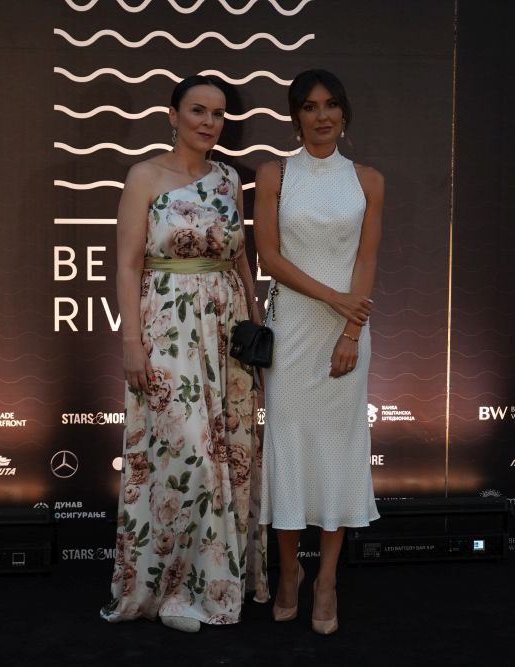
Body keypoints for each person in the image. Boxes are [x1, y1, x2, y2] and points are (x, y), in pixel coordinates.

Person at [101, 75, 268, 632]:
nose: (208, 122)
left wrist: (255, 325)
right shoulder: (144, 176)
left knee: (229, 455)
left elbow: (240, 259)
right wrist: (131, 341)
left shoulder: (229, 178)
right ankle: (170, 586)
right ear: (172, 115)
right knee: (188, 457)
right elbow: (128, 264)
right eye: (197, 110)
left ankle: (202, 589)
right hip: (167, 326)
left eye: (218, 114)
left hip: (226, 330)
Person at [255, 69, 383, 635]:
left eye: (331, 104)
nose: (322, 115)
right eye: (310, 107)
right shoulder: (274, 174)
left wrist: (350, 331)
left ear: (344, 112)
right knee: (287, 448)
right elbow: (269, 258)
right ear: (296, 116)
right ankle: (290, 571)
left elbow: (367, 260)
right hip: (292, 332)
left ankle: (326, 579)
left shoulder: (369, 180)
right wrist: (335, 300)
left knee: (337, 452)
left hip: (347, 333)